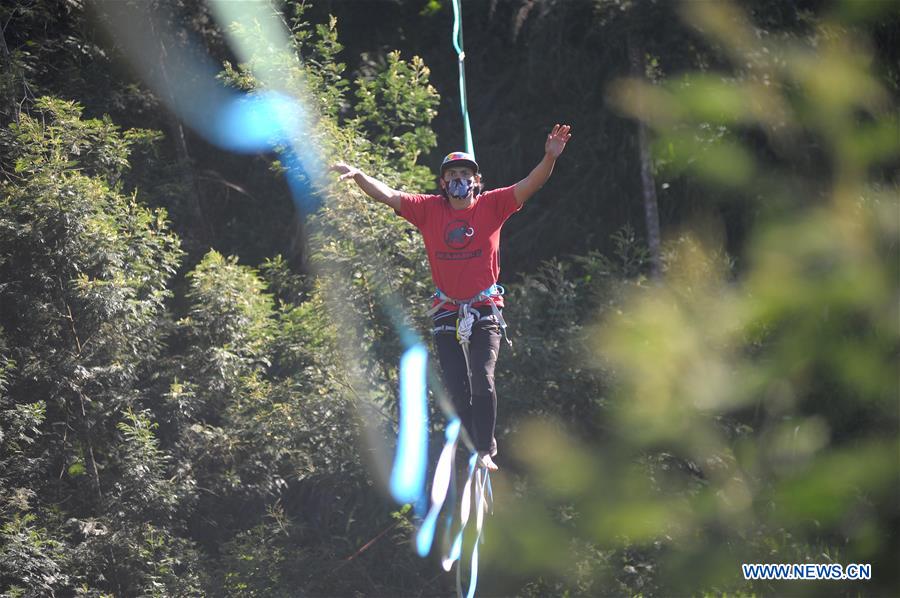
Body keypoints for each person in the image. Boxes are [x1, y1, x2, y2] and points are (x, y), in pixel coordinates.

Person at [332, 124, 572, 471]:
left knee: (482, 377)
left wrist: (550, 156)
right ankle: (471, 446)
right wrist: (360, 176)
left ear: (476, 181)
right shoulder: (429, 209)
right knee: (456, 386)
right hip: (447, 309)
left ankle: (485, 448)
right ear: (443, 183)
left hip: (484, 306)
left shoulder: (493, 204)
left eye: (465, 174)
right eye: (452, 175)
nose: (459, 179)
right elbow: (389, 195)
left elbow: (531, 183)